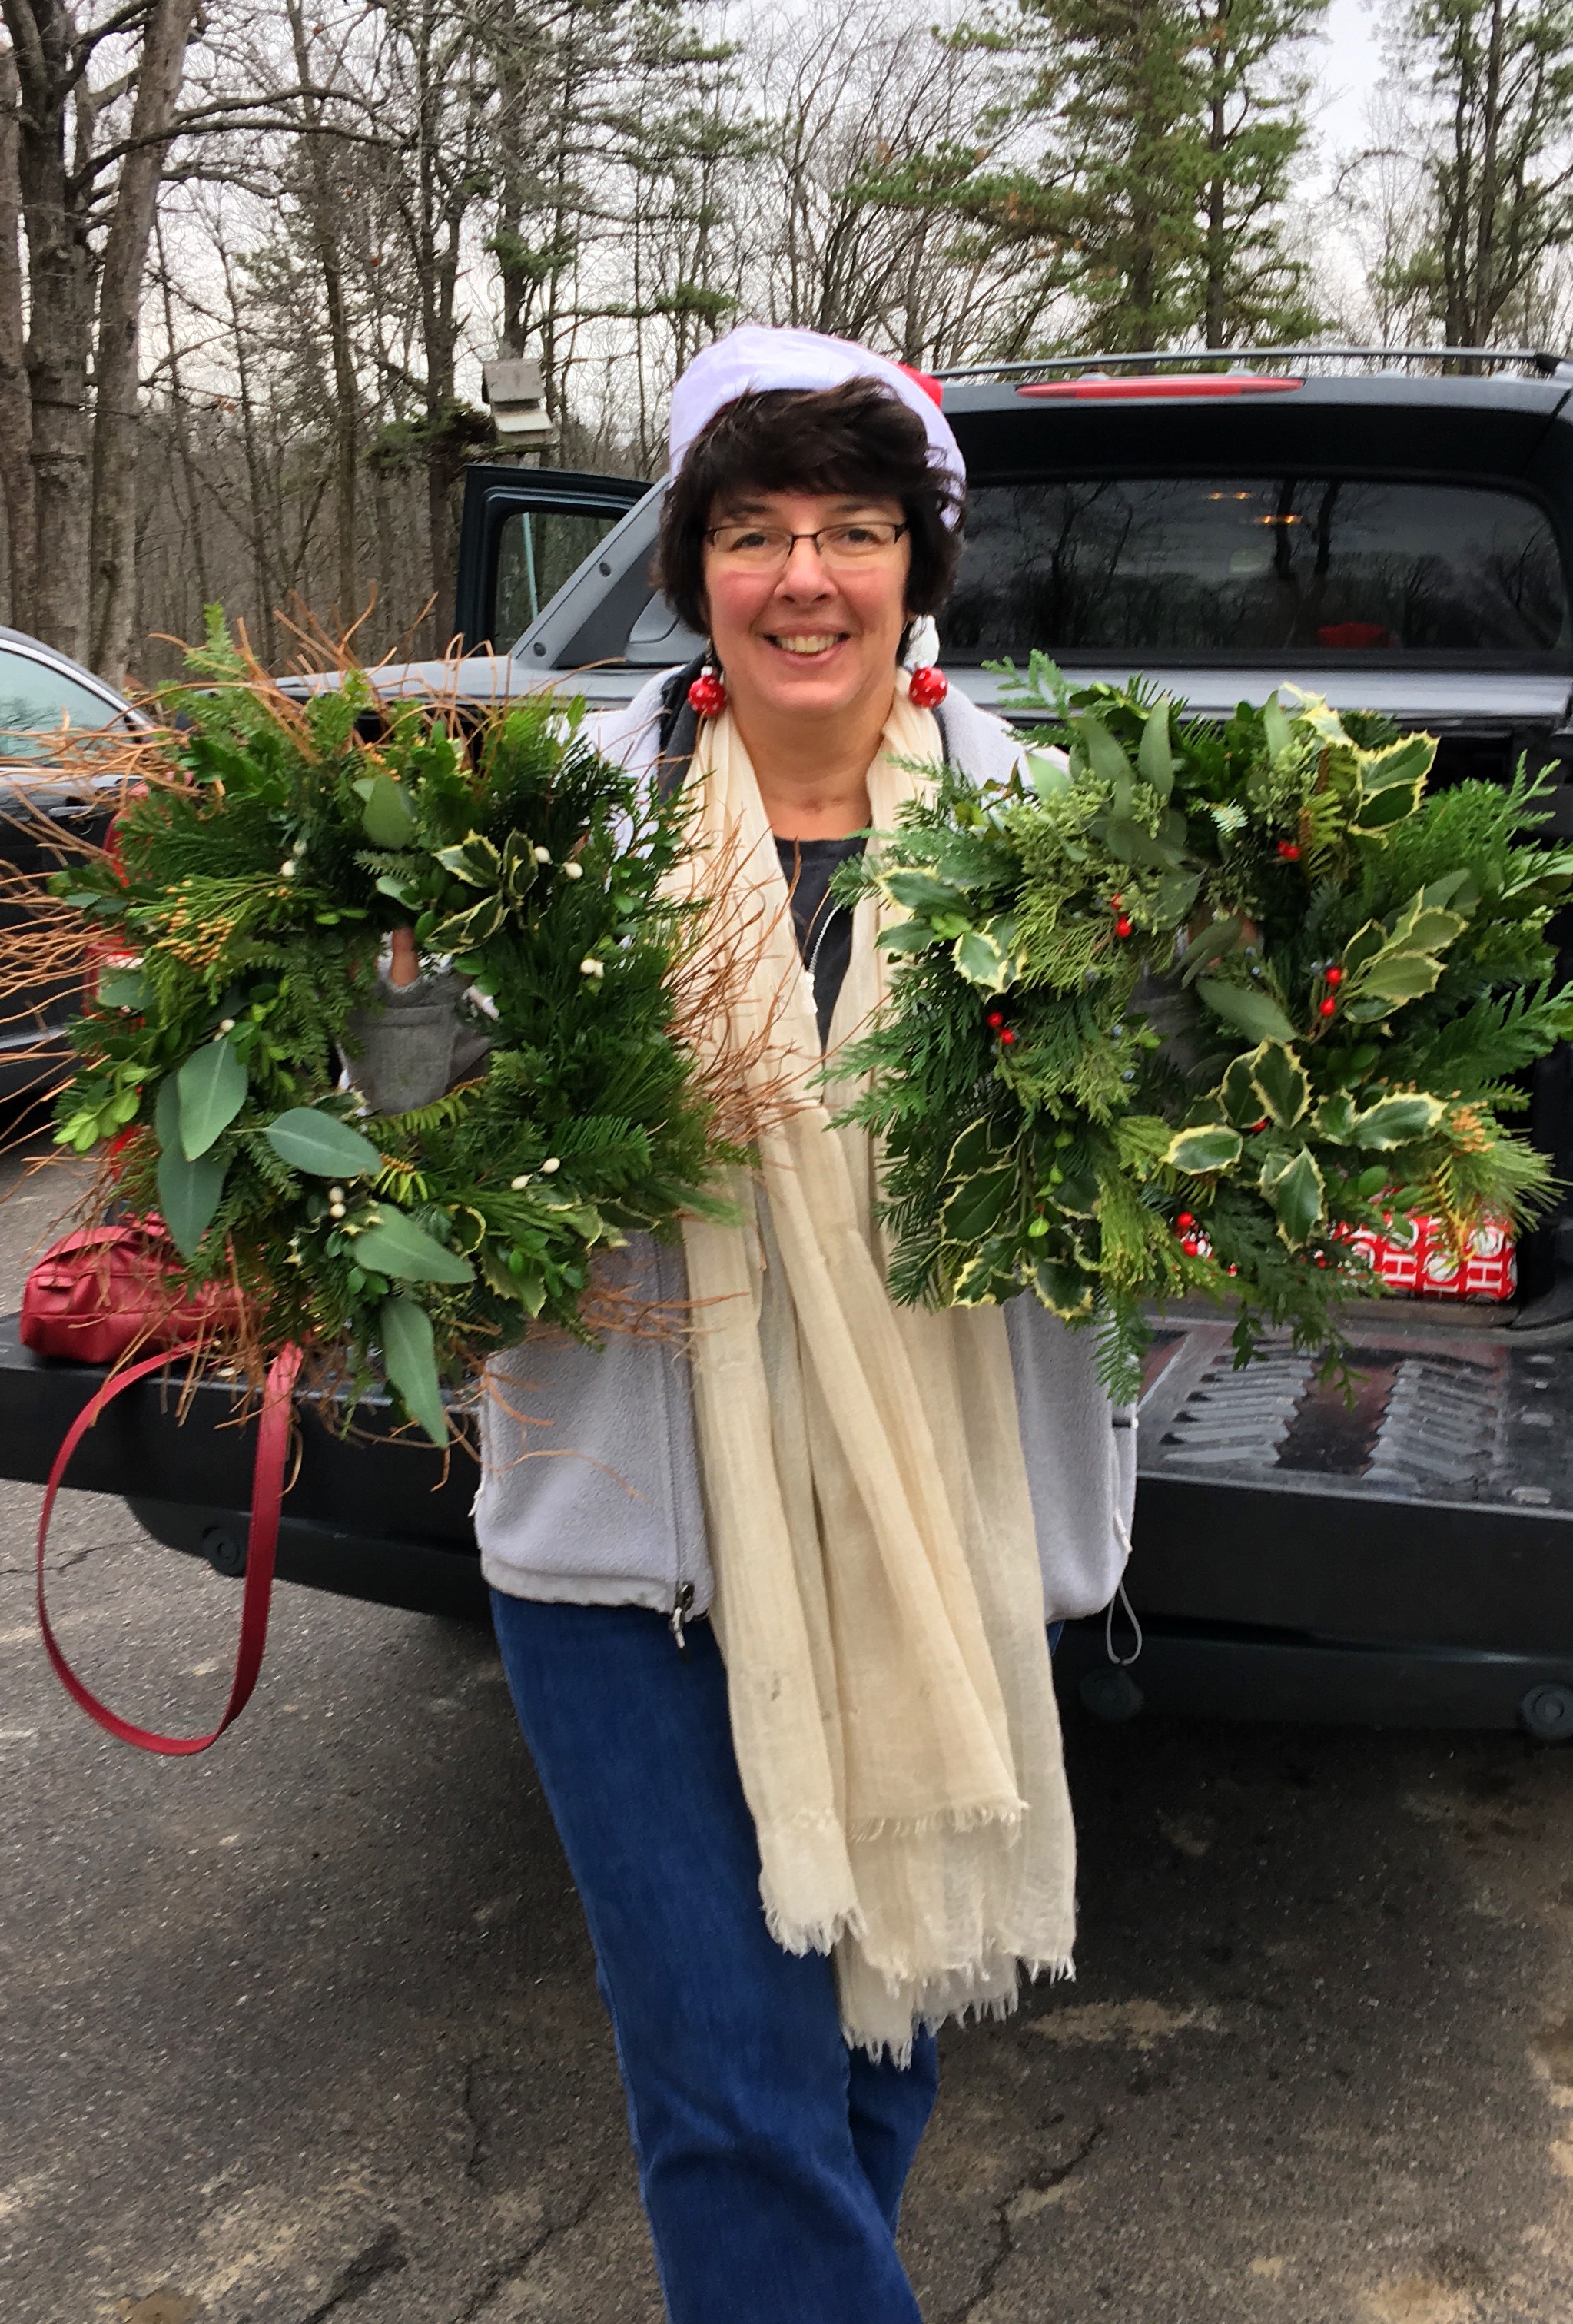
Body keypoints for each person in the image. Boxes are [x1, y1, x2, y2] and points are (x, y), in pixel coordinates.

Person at [360, 325, 1134, 2324]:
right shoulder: (558, 818)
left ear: (918, 564)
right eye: (755, 529)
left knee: (870, 2055)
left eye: (854, 530)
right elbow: (409, 1129)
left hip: (938, 1530)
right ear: (692, 566)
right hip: (633, 1558)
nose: (806, 577)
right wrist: (390, 1003)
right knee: (733, 2089)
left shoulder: (1054, 834)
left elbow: (1158, 1194)